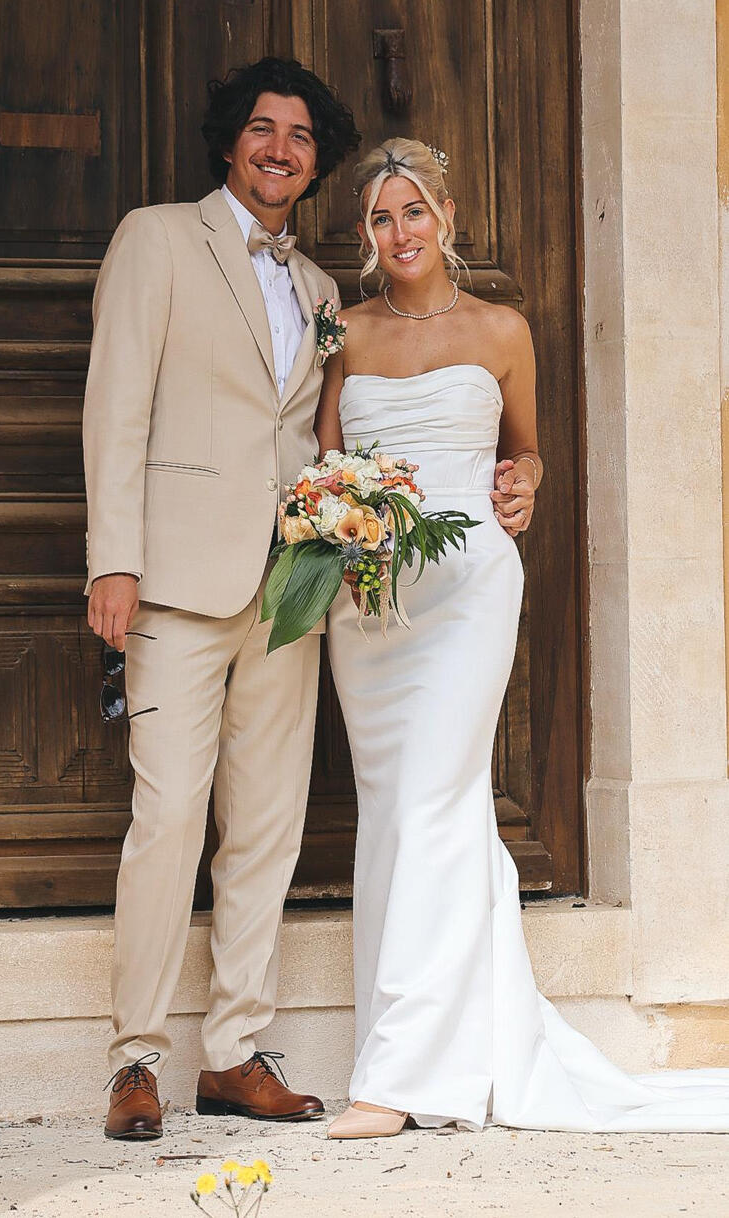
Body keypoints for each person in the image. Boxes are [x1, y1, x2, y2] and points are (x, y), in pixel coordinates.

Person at [315, 137, 729, 1139]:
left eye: (413, 211)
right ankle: (431, 1047)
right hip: (370, 603)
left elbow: (527, 450)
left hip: (467, 591)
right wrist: (332, 518)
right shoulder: (347, 330)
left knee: (433, 797)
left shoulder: (503, 329)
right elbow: (327, 460)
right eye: (380, 217)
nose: (398, 230)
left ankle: (401, 1080)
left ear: (447, 217)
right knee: (404, 811)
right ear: (366, 235)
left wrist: (526, 482)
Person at [83, 57, 360, 1141]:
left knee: (267, 829)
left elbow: (317, 439)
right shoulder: (158, 239)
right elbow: (118, 404)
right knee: (167, 819)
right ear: (229, 140)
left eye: (298, 135)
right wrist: (114, 558)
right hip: (177, 583)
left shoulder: (326, 290)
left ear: (315, 159)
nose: (279, 148)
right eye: (261, 128)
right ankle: (135, 1060)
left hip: (289, 589)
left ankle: (235, 1051)